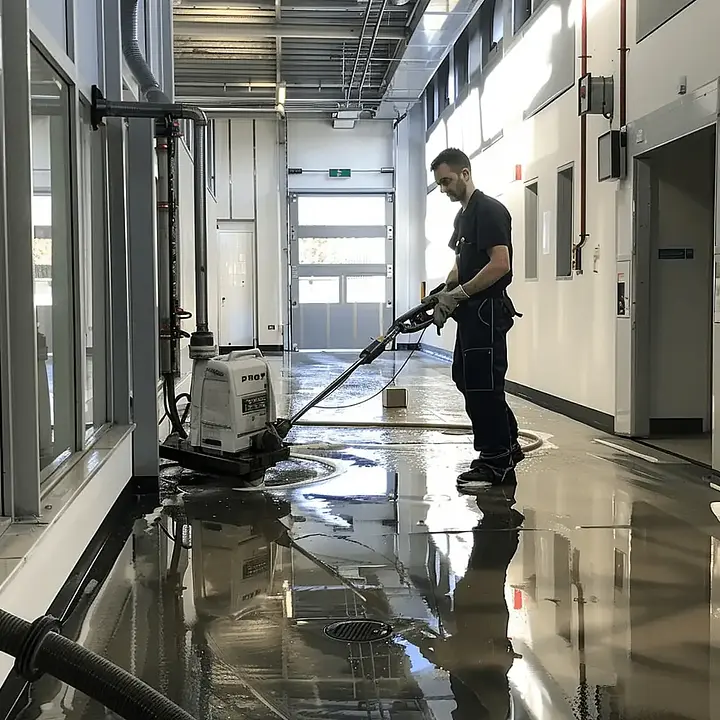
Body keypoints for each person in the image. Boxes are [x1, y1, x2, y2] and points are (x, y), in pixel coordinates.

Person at [424, 148, 523, 492]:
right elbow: (460, 262)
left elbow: (500, 264)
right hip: (470, 312)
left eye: (447, 181)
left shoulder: (489, 210)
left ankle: (496, 461)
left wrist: (459, 294)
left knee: (484, 386)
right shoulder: (463, 216)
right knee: (465, 378)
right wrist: (444, 290)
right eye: (439, 184)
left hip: (487, 311)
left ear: (465, 174)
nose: (444, 189)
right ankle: (507, 444)